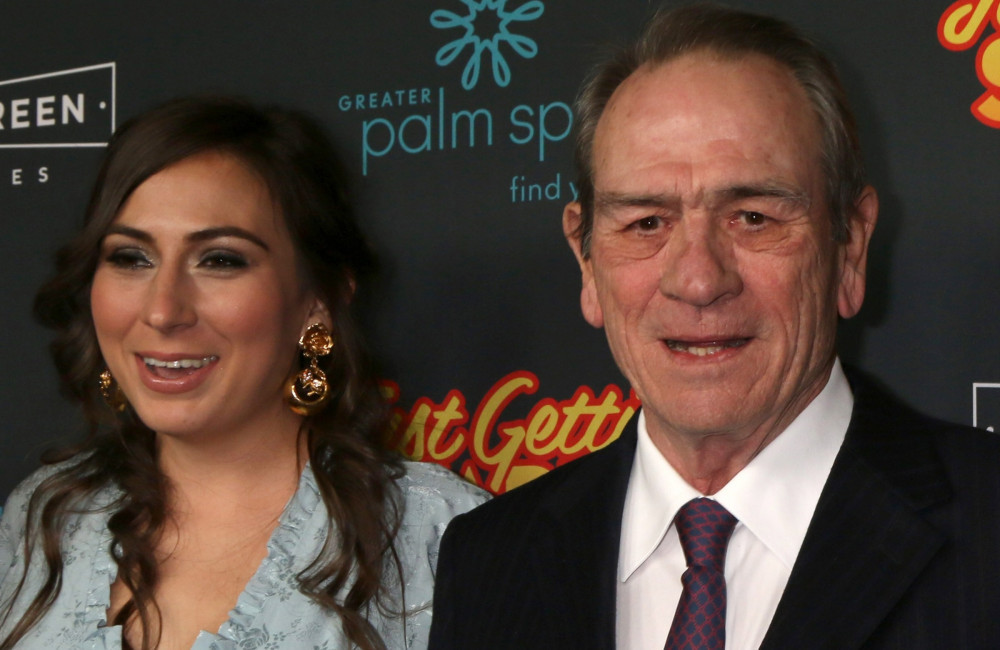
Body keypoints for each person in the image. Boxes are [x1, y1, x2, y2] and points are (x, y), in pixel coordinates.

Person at [428, 4, 1000, 649]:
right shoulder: (488, 559)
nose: (698, 281)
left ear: (850, 248)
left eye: (753, 217)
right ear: (586, 262)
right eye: (646, 223)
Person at [0, 96, 487, 650]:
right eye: (131, 257)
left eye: (220, 260)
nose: (162, 310)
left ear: (319, 300)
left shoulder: (441, 537)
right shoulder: (44, 517)